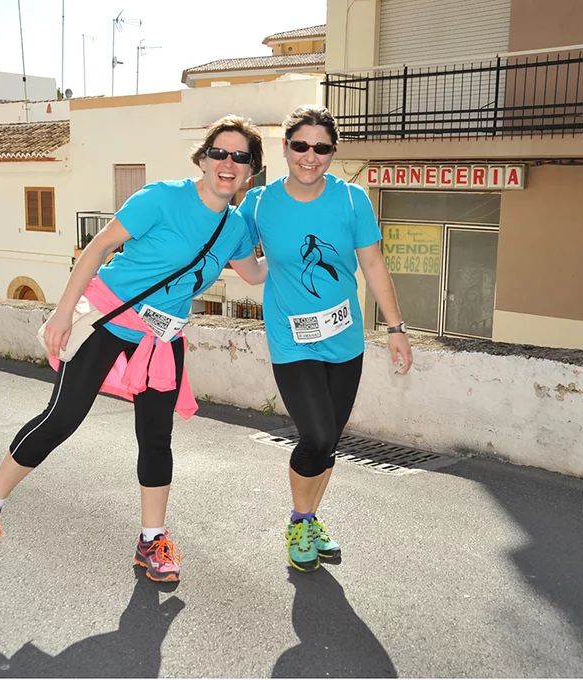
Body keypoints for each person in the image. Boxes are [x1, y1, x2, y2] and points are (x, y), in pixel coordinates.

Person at [0, 115, 266, 582]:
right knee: (62, 419)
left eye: (241, 157)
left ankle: (151, 541)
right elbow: (98, 247)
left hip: (161, 337)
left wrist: (291, 244)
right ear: (203, 159)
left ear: (250, 172)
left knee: (157, 439)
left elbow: (255, 274)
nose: (228, 162)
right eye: (220, 152)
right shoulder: (162, 198)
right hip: (108, 318)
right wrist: (62, 312)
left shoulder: (236, 227)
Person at [238, 105, 413, 572]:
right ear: (285, 147)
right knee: (315, 434)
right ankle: (298, 522)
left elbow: (373, 266)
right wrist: (245, 268)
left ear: (333, 152)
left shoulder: (353, 200)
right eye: (300, 146)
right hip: (291, 340)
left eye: (321, 148)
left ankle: (311, 518)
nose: (309, 157)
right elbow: (239, 254)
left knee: (329, 440)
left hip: (345, 340)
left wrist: (395, 329)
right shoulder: (258, 203)